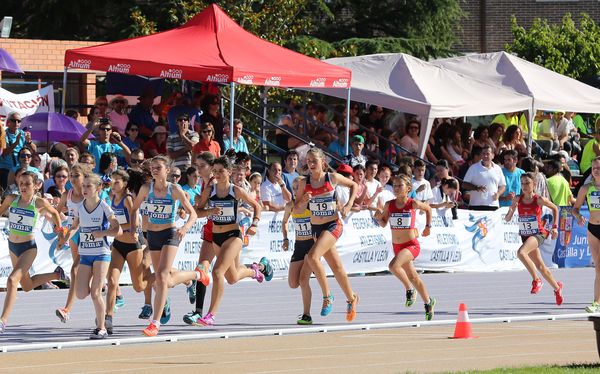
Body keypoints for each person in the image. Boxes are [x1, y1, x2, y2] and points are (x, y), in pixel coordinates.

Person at [193, 156, 271, 326]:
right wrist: (209, 211)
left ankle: (210, 315)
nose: (217, 174)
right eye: (215, 171)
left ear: (229, 172)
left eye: (221, 171)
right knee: (232, 277)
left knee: (217, 272)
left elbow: (257, 206)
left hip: (233, 236)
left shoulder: (235, 191)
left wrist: (255, 224)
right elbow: (197, 212)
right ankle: (257, 269)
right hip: (216, 237)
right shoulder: (209, 190)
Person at [130, 155, 203, 337]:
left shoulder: (174, 190)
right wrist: (135, 228)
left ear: (167, 171)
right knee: (164, 279)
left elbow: (193, 214)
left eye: (158, 168)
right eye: (153, 168)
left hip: (170, 233)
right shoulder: (147, 188)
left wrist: (185, 228)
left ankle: (154, 323)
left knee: (162, 276)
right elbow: (134, 208)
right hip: (152, 236)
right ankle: (196, 275)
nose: (155, 170)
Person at [296, 147, 359, 322]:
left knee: (313, 257)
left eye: (314, 161)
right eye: (308, 161)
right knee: (337, 267)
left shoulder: (332, 178)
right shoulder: (303, 183)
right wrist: (303, 201)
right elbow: (297, 208)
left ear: (323, 162)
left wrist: (347, 206)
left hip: (333, 225)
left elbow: (354, 185)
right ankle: (352, 298)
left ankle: (327, 296)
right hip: (316, 228)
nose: (311, 164)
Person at [0, 171, 66, 334]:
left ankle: (3, 321)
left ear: (36, 186)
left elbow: (56, 213)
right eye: (21, 183)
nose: (23, 187)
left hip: (28, 248)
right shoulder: (11, 199)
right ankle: (57, 275)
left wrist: (60, 231)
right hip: (12, 246)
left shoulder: (39, 202)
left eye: (27, 184)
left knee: (11, 281)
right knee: (27, 285)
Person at [58, 173, 121, 339]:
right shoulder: (80, 207)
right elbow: (74, 227)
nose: (84, 189)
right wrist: (64, 239)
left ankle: (101, 328)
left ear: (98, 188)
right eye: (83, 186)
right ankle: (102, 288)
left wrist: (103, 232)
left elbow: (118, 229)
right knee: (80, 293)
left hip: (101, 253)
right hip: (85, 254)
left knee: (94, 294)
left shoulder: (104, 207)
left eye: (88, 186)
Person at [374, 174, 437, 320]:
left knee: (393, 266)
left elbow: (428, 209)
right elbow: (384, 223)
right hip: (397, 246)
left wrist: (428, 227)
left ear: (408, 188)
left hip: (411, 245)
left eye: (399, 185)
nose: (396, 188)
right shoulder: (389, 205)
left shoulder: (412, 203)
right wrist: (378, 218)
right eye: (394, 185)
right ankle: (428, 302)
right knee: (414, 277)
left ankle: (409, 290)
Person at [504, 173, 563, 305]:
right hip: (525, 235)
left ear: (534, 185)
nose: (524, 186)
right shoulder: (517, 199)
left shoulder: (539, 199)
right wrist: (511, 210)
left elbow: (555, 209)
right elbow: (507, 219)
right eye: (522, 183)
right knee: (541, 267)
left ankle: (536, 280)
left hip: (538, 234)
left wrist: (554, 227)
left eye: (527, 183)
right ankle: (557, 288)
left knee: (521, 253)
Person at [104, 169, 149, 335]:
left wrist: (128, 229)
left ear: (125, 184)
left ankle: (161, 280)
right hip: (118, 245)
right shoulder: (111, 197)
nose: (113, 185)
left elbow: (135, 219)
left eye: (117, 182)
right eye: (112, 181)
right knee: (111, 281)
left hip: (132, 245)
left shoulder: (128, 199)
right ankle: (108, 317)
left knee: (139, 286)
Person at [182, 152, 216, 326]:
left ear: (211, 167)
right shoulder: (204, 184)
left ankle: (260, 268)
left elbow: (203, 210)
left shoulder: (215, 183)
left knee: (232, 275)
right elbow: (200, 211)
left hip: (228, 231)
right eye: (197, 166)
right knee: (201, 268)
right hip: (211, 230)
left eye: (202, 166)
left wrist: (201, 206)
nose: (198, 169)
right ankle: (198, 312)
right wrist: (195, 205)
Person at [55, 164, 88, 323]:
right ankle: (68, 308)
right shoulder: (66, 195)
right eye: (72, 176)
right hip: (73, 234)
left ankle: (67, 309)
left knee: (76, 270)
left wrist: (65, 237)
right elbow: (56, 212)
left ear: (84, 177)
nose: (73, 179)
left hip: (87, 234)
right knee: (77, 270)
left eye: (77, 176)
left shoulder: (88, 195)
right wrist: (60, 228)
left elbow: (79, 223)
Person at [281, 176, 314, 325]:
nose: (295, 191)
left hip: (312, 247)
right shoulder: (290, 206)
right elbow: (284, 222)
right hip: (298, 246)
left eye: (298, 188)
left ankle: (307, 315)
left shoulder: (311, 205)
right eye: (293, 188)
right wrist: (286, 238)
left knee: (303, 280)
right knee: (293, 283)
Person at [573, 157, 600, 313]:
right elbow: (575, 209)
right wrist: (578, 216)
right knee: (598, 268)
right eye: (593, 167)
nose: (596, 170)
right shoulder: (586, 188)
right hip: (593, 228)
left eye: (599, 167)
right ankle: (596, 302)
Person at [462, 145, 506, 211]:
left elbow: (503, 185)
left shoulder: (498, 168)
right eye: (483, 154)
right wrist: (476, 188)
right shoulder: (473, 168)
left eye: (488, 154)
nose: (485, 156)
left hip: (493, 205)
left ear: (493, 155)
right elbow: (464, 184)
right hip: (475, 205)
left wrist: (498, 194)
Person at [0, 112, 36, 189]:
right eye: (13, 120)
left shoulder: (22, 133)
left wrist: (29, 141)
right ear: (8, 122)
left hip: (19, 170)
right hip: (6, 170)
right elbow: (4, 153)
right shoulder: (3, 134)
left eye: (18, 121)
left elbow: (34, 150)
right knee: (7, 193)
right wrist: (16, 142)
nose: (16, 123)